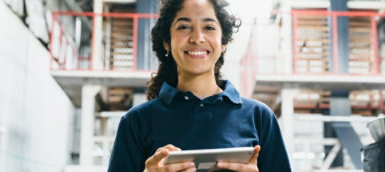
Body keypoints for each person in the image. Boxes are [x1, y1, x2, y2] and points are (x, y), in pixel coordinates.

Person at [108, 0, 291, 171]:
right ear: (167, 42)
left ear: (224, 42)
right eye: (184, 27)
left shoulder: (260, 118)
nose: (197, 38)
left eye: (209, 27)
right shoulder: (136, 122)